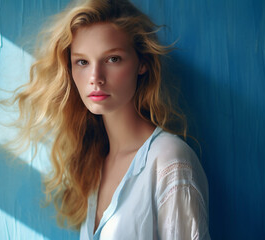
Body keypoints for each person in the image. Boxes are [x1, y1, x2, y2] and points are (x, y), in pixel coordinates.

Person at [12, 0, 210, 239]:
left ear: (142, 63)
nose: (95, 78)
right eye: (82, 62)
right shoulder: (93, 164)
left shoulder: (170, 161)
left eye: (112, 59)